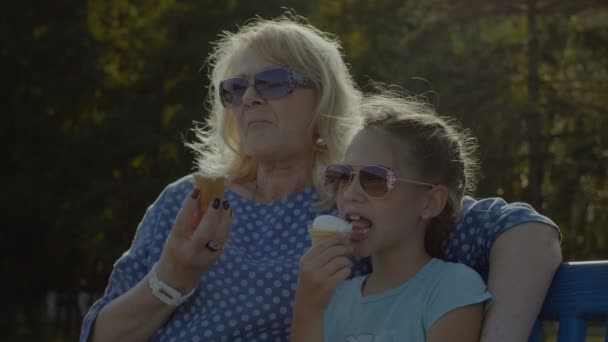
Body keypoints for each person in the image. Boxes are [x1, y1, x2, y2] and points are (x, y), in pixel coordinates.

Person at [80, 14, 562, 342]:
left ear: (324, 99)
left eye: (272, 83)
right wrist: (172, 276)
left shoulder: (355, 201)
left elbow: (521, 231)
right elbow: (100, 333)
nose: (249, 99)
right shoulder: (187, 200)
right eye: (234, 88)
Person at [292, 94, 492, 341]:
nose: (350, 194)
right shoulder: (333, 298)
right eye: (343, 176)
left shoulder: (452, 289)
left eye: (375, 179)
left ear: (430, 203)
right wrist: (307, 309)